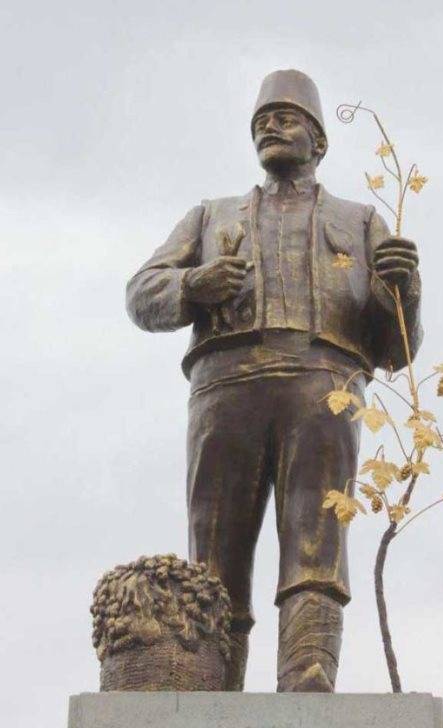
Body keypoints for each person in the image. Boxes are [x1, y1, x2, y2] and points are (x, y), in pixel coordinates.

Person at [126, 69, 422, 692]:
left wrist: (403, 291)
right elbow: (142, 292)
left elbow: (396, 351)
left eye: (286, 119)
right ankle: (209, 677)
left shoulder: (362, 218)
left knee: (317, 536)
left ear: (319, 140)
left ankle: (307, 676)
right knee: (213, 546)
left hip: (324, 386)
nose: (271, 128)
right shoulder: (210, 216)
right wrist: (190, 284)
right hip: (224, 388)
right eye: (262, 121)